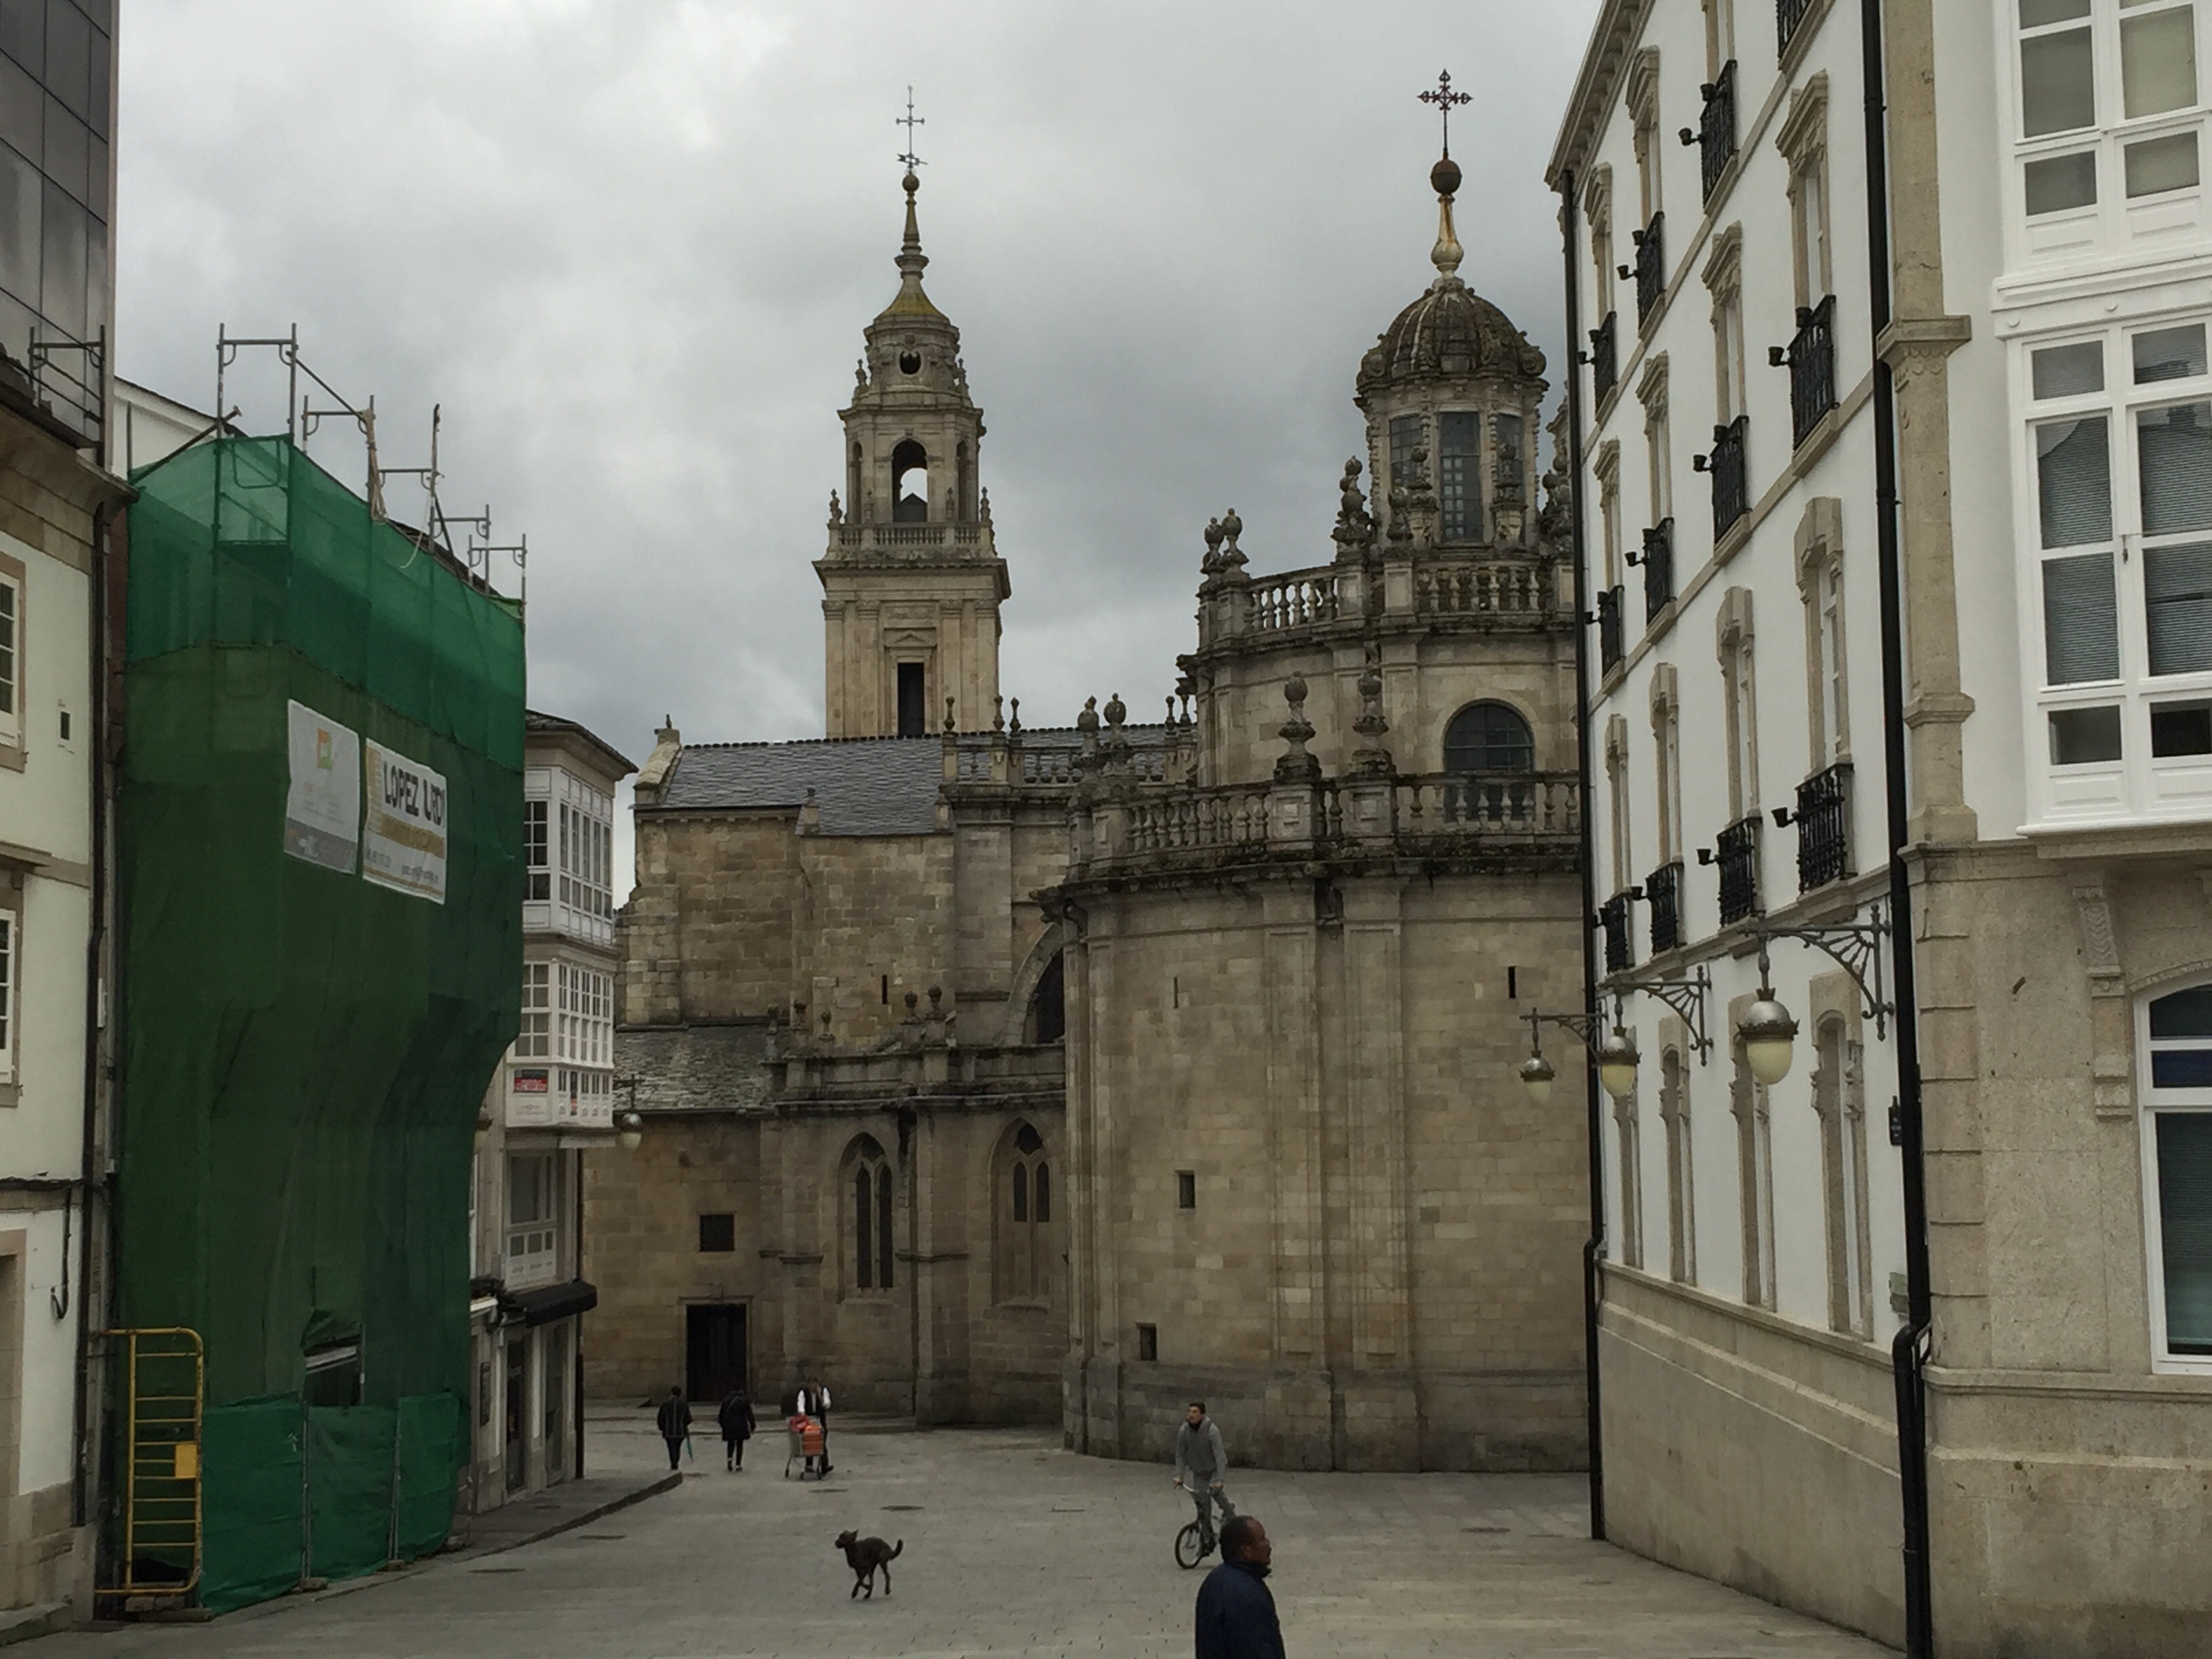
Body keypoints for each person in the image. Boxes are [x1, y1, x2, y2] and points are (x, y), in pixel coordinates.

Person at [1195, 1515, 1284, 1659]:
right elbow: (1256, 1648)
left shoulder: (1214, 1581)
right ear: (1246, 1550)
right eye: (1262, 1540)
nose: (1268, 1544)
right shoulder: (1247, 1595)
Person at [1174, 1400, 1234, 1554]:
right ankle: (1208, 1541)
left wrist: (1219, 1480)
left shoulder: (1212, 1431)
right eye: (1190, 1411)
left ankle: (1231, 1516)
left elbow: (1220, 1457)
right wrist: (1179, 1476)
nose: (1191, 1415)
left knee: (1217, 1495)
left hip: (1213, 1472)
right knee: (1203, 1508)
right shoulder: (1184, 1431)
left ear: (1202, 1415)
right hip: (1199, 1473)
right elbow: (1180, 1455)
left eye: (1195, 1412)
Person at [798, 1375, 834, 1475]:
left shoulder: (823, 1391)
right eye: (812, 1384)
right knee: (809, 1442)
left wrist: (819, 1396)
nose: (813, 1386)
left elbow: (826, 1405)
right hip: (808, 1421)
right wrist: (803, 1415)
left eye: (815, 1384)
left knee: (822, 1442)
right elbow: (801, 1406)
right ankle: (809, 1464)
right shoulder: (803, 1393)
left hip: (820, 1421)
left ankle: (824, 1466)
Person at [718, 1383, 756, 1471]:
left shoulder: (726, 1400)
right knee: (740, 1444)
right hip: (741, 1424)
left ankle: (729, 1459)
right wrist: (752, 1425)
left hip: (729, 1425)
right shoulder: (744, 1400)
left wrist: (723, 1425)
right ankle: (738, 1464)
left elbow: (722, 1414)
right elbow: (749, 1414)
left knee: (730, 1443)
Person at [655, 1385, 691, 1472]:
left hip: (669, 1431)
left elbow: (661, 1418)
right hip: (680, 1432)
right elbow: (689, 1419)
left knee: (672, 1448)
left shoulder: (665, 1405)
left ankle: (674, 1463)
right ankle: (676, 1462)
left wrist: (662, 1428)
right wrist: (683, 1425)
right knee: (677, 1448)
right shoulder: (684, 1405)